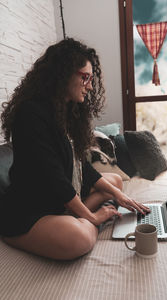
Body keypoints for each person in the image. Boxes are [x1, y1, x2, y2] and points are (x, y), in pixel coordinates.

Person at [0, 38, 150, 260]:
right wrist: (93, 217)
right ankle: (79, 219)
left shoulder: (64, 111)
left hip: (58, 197)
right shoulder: (30, 114)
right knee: (78, 239)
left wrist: (119, 196)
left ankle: (74, 214)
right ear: (63, 74)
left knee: (115, 183)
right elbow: (54, 179)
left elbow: (81, 165)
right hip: (29, 209)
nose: (90, 85)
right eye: (86, 77)